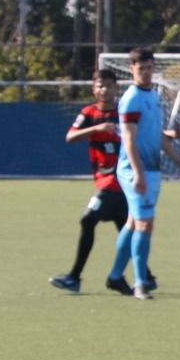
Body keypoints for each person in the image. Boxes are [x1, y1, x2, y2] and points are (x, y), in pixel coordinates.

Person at [49, 69, 151, 293]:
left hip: (116, 182)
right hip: (106, 180)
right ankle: (146, 276)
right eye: (99, 85)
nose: (104, 89)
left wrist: (168, 135)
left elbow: (144, 133)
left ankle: (74, 277)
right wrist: (98, 128)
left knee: (88, 220)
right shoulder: (88, 113)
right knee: (129, 227)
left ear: (116, 88)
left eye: (108, 85)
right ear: (93, 89)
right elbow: (70, 137)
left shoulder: (123, 112)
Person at [105, 47, 180, 299]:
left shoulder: (153, 97)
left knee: (134, 222)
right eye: (140, 68)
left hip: (152, 169)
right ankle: (140, 283)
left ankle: (114, 276)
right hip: (135, 170)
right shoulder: (131, 99)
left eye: (148, 67)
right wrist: (138, 173)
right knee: (145, 223)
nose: (145, 72)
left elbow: (155, 136)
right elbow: (130, 139)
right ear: (131, 69)